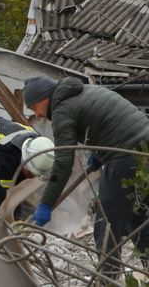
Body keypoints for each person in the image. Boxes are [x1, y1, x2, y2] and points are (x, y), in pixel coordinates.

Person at [23, 75, 149, 270]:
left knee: (105, 222)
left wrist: (46, 204)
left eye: (34, 108)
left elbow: (63, 161)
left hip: (127, 155)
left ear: (44, 99)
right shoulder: (84, 92)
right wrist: (99, 153)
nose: (37, 115)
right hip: (142, 148)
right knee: (138, 215)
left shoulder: (61, 109)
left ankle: (108, 281)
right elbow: (105, 121)